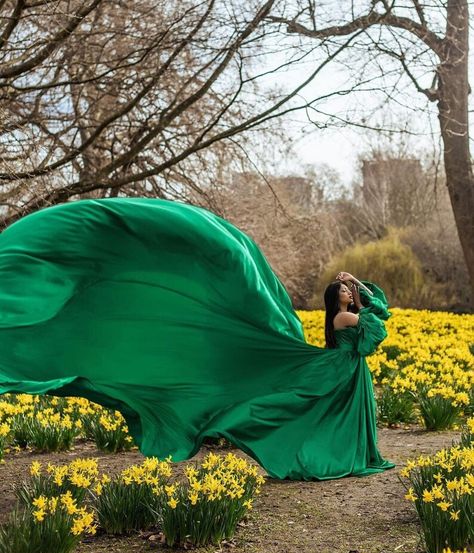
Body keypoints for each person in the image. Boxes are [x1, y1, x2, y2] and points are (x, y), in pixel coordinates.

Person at [0, 197, 395, 480]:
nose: (346, 295)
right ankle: (314, 451)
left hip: (344, 368)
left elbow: (372, 324)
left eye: (346, 293)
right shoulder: (345, 316)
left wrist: (359, 289)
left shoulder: (346, 314)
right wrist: (362, 292)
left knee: (324, 409)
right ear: (338, 301)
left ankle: (343, 453)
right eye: (342, 293)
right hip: (342, 368)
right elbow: (376, 327)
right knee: (295, 404)